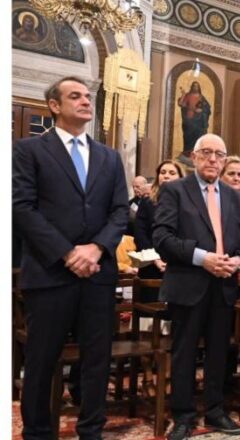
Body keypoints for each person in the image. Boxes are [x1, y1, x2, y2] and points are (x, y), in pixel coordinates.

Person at [13, 76, 129, 440]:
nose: (85, 101)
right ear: (54, 105)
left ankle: (91, 429)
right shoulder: (28, 150)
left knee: (96, 359)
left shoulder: (109, 157)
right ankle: (37, 432)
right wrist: (66, 252)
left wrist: (96, 248)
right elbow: (22, 208)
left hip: (97, 273)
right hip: (50, 272)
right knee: (42, 360)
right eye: (75, 96)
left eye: (87, 96)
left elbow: (120, 211)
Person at [153, 134, 240, 439]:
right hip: (189, 283)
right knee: (184, 353)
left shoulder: (234, 197)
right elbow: (162, 238)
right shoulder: (175, 190)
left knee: (219, 352)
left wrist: (237, 261)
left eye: (219, 154)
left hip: (224, 285)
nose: (212, 159)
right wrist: (202, 258)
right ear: (194, 157)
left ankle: (215, 411)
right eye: (206, 152)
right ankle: (183, 415)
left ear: (224, 161)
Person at [135, 160, 184, 289]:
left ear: (180, 177)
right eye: (163, 172)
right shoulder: (147, 202)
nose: (166, 176)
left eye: (172, 173)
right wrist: (155, 259)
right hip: (150, 265)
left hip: (179, 266)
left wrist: (174, 258)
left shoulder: (188, 205)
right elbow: (140, 234)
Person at [177, 81, 212, 162]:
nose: (195, 87)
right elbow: (181, 104)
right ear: (191, 87)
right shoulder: (187, 95)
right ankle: (187, 153)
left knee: (198, 136)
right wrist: (183, 95)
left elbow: (207, 108)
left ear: (199, 88)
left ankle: (197, 152)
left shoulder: (201, 97)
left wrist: (202, 110)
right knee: (188, 136)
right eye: (194, 86)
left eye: (197, 86)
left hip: (199, 122)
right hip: (188, 120)